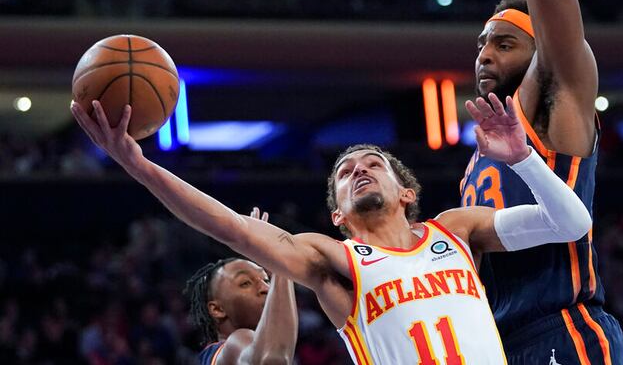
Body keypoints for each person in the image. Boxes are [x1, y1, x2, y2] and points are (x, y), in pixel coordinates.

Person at [71, 94, 591, 364]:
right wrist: (139, 166)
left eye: (372, 163)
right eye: (344, 173)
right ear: (338, 215)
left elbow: (572, 223)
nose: (358, 169)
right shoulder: (334, 260)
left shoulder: (455, 229)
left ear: (407, 193)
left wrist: (522, 158)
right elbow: (230, 227)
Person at [460, 0, 623, 363]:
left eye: (504, 43)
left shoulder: (554, 99)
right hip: (501, 342)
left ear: (541, 52)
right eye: (482, 45)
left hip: (563, 327)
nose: (484, 55)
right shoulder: (480, 155)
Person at [185, 208, 298, 365]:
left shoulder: (213, 356)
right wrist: (279, 259)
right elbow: (272, 358)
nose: (266, 289)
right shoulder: (236, 342)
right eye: (245, 283)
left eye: (267, 279)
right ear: (217, 309)